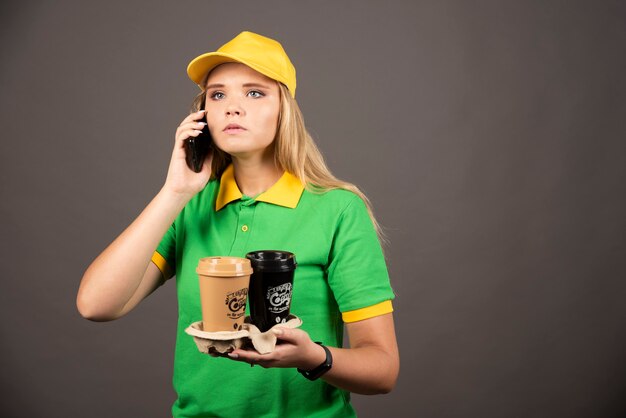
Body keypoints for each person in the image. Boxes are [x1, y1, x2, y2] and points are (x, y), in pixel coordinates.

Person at [77, 31, 399, 417]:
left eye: (254, 92)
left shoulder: (339, 209)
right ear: (203, 116)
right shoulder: (190, 207)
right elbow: (96, 305)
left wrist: (313, 357)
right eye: (217, 94)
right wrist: (174, 192)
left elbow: (382, 370)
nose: (232, 107)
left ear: (285, 110)